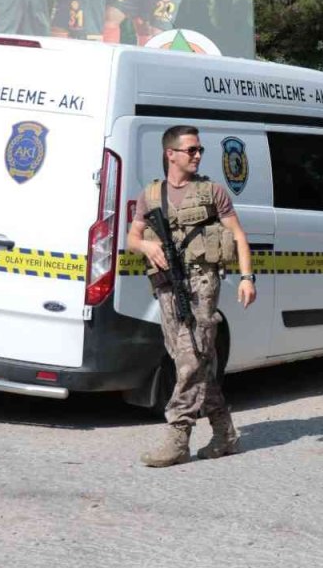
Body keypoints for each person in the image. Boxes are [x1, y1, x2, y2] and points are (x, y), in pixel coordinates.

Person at [126, 125, 256, 467]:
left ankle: (178, 436)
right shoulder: (151, 196)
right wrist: (147, 244)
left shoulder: (213, 192)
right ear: (171, 154)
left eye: (200, 150)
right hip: (167, 287)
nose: (198, 155)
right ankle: (225, 433)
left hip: (200, 285)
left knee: (191, 359)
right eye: (191, 150)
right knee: (193, 361)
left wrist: (246, 278)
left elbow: (239, 236)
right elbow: (132, 238)